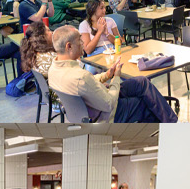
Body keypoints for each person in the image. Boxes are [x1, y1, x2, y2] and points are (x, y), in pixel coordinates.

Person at [46, 26, 176, 123]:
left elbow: (88, 82)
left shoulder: (53, 69)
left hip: (93, 103)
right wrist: (116, 77)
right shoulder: (80, 77)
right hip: (107, 113)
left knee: (141, 82)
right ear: (69, 46)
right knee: (147, 104)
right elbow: (109, 104)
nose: (83, 43)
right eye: (79, 40)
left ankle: (172, 122)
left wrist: (107, 75)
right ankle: (171, 127)